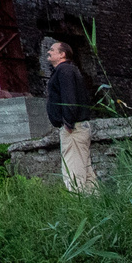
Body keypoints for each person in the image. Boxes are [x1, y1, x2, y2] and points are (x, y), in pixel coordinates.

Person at [43, 40, 96, 194]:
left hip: (74, 129)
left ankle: (78, 208)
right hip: (78, 126)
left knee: (73, 174)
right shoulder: (69, 70)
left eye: (52, 50)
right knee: (86, 173)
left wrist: (68, 123)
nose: (49, 52)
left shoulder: (64, 71)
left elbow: (69, 97)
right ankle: (93, 206)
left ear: (62, 54)